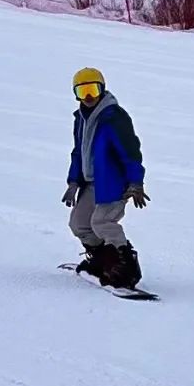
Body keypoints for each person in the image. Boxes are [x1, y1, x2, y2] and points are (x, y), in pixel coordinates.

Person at [62, 67, 149, 289]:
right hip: (91, 184)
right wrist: (73, 182)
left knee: (102, 222)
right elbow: (78, 153)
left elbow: (131, 152)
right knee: (79, 224)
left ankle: (126, 269)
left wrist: (135, 182)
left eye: (93, 90)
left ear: (102, 89)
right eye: (82, 91)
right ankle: (104, 262)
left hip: (114, 183)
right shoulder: (81, 119)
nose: (88, 96)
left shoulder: (114, 118)